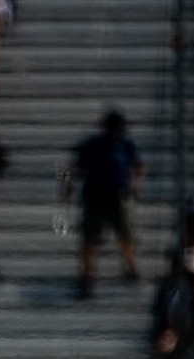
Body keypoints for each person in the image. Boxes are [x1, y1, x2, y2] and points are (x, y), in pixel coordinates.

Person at [66, 110, 145, 298]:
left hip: (119, 195)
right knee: (90, 239)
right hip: (95, 196)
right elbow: (74, 165)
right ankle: (86, 276)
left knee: (126, 234)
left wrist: (136, 185)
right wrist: (68, 185)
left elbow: (139, 166)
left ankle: (131, 268)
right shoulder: (93, 144)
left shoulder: (126, 145)